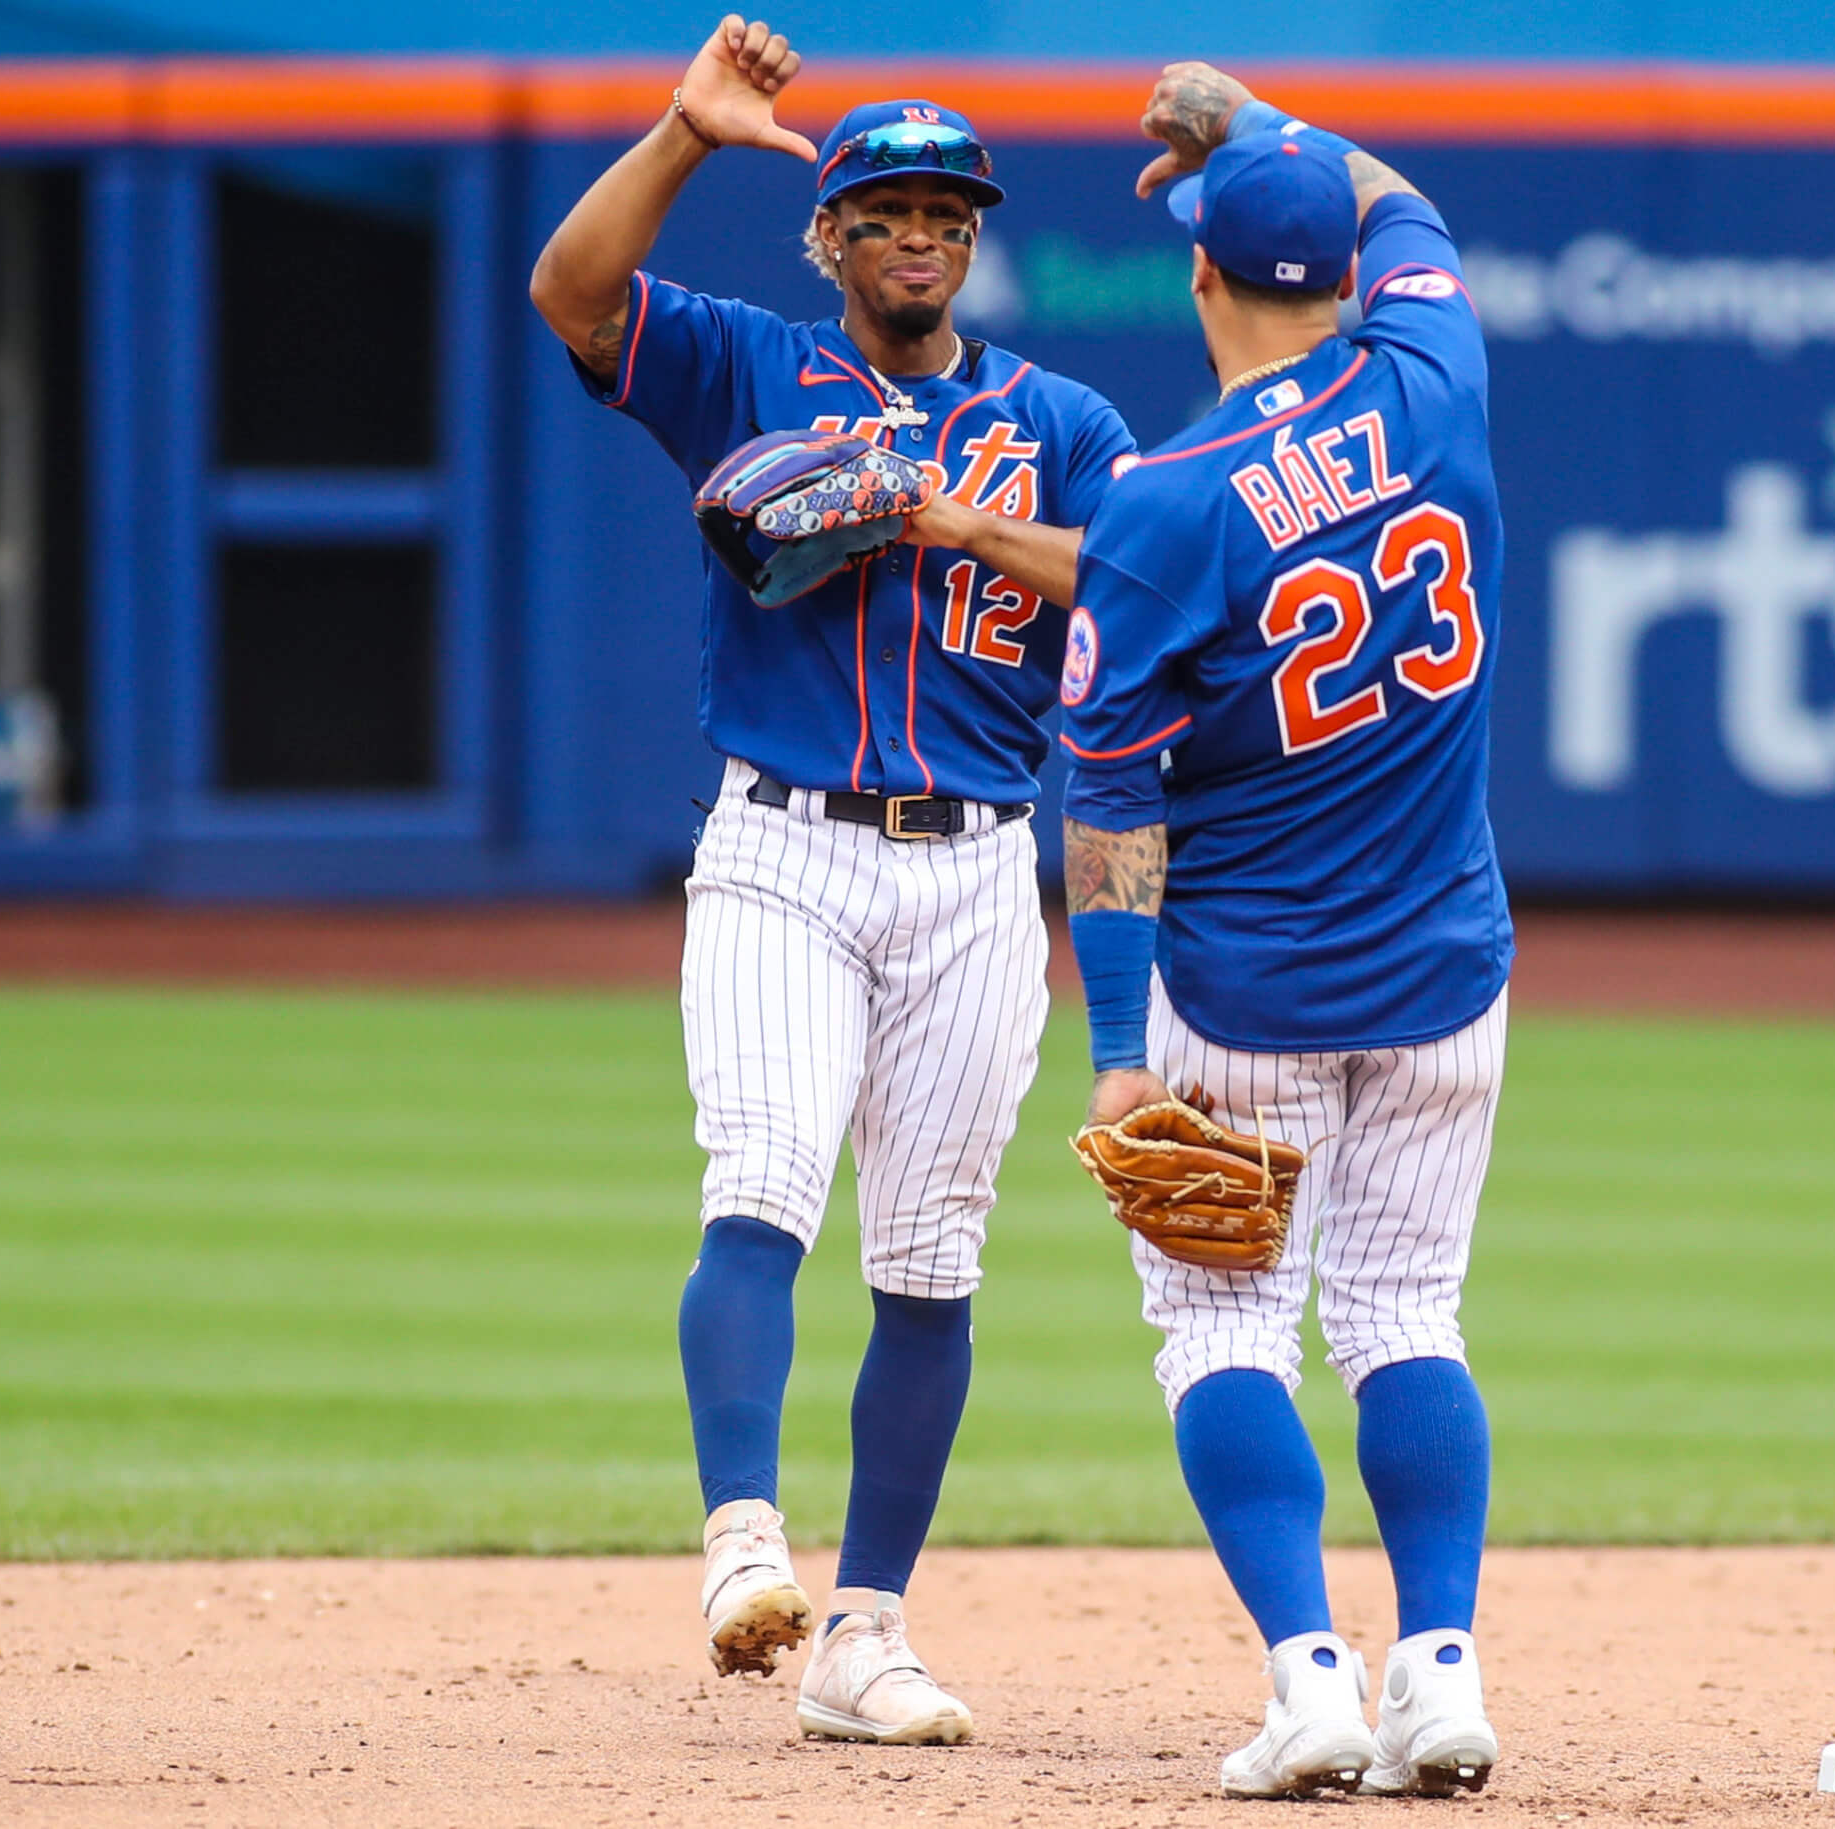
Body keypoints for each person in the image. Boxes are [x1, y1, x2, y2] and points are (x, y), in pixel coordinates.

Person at [529, 16, 1136, 1746]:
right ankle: (741, 1539)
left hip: (974, 872)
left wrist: (953, 517)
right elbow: (572, 295)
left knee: (934, 1258)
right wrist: (681, 133)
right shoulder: (742, 364)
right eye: (882, 210)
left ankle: (865, 1631)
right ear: (831, 239)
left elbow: (1144, 573)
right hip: (783, 846)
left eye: (948, 208)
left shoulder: (1062, 419)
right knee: (767, 1175)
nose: (920, 233)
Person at [1058, 63, 1514, 1800]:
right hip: (1446, 970)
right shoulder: (1435, 378)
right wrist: (1265, 128)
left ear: (1200, 277)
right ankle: (1444, 1668)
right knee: (1411, 1312)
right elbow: (1410, 215)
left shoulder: (1163, 504)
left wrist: (1112, 1051)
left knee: (1226, 1332)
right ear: (1341, 275)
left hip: (1243, 991)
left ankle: (1313, 1682)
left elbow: (1107, 803)